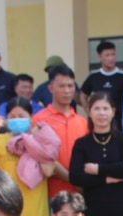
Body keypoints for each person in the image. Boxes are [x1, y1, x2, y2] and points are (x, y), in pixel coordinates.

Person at [33, 65, 88, 198]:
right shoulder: (39, 121)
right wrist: (73, 180)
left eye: (70, 86)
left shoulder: (82, 122)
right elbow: (41, 159)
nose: (67, 91)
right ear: (50, 88)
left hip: (79, 195)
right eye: (62, 86)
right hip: (50, 194)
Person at [80, 40, 123, 124]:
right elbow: (83, 96)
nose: (111, 58)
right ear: (100, 57)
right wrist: (90, 113)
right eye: (107, 55)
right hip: (99, 122)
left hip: (120, 122)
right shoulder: (93, 76)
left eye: (113, 54)